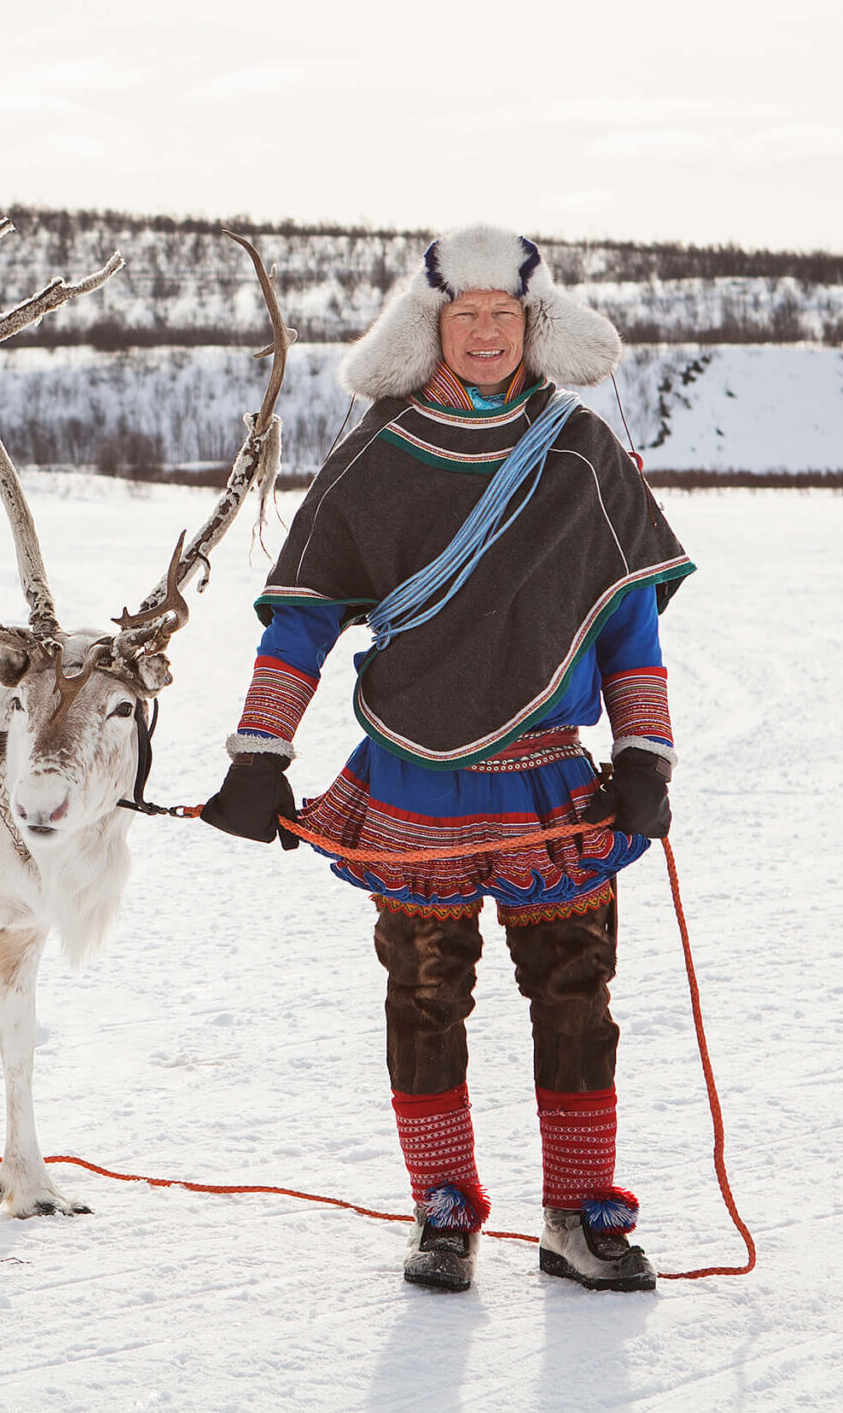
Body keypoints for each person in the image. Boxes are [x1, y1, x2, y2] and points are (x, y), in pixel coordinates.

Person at [201, 224, 692, 1294]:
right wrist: (257, 753)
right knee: (424, 999)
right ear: (426, 328)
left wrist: (645, 753)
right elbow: (301, 619)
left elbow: (629, 624)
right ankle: (442, 1209)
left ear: (534, 327)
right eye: (461, 314)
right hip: (412, 776)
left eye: (501, 315)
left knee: (575, 997)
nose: (481, 332)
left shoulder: (579, 452)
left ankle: (578, 1215)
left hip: (551, 778)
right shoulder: (375, 455)